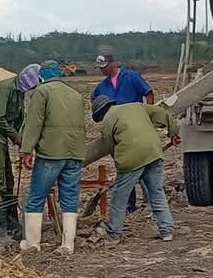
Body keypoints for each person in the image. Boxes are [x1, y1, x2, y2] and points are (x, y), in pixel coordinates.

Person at [20, 62, 87, 255]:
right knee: (70, 198)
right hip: (74, 152)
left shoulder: (42, 91)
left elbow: (34, 123)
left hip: (51, 152)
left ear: (43, 75)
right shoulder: (75, 94)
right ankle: (68, 244)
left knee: (36, 196)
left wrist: (26, 150)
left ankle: (32, 243)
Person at [91, 95, 179, 244]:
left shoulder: (106, 122)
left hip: (131, 158)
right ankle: (167, 231)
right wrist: (174, 132)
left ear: (100, 115)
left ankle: (113, 234)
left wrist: (120, 165)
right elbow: (162, 113)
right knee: (156, 192)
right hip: (153, 152)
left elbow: (110, 147)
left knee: (119, 198)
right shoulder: (137, 106)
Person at [0, 63, 41, 245]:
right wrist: (17, 138)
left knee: (8, 182)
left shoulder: (18, 92)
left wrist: (21, 142)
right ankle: (0, 231)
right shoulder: (6, 88)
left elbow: (18, 119)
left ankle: (12, 225)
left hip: (1, 139)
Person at [92, 51, 155, 214]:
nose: (102, 70)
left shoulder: (131, 77)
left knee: (142, 165)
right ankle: (129, 204)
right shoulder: (102, 87)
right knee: (124, 167)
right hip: (117, 134)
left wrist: (148, 115)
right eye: (100, 68)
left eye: (104, 67)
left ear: (113, 63)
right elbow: (95, 103)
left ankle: (151, 201)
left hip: (136, 130)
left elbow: (149, 94)